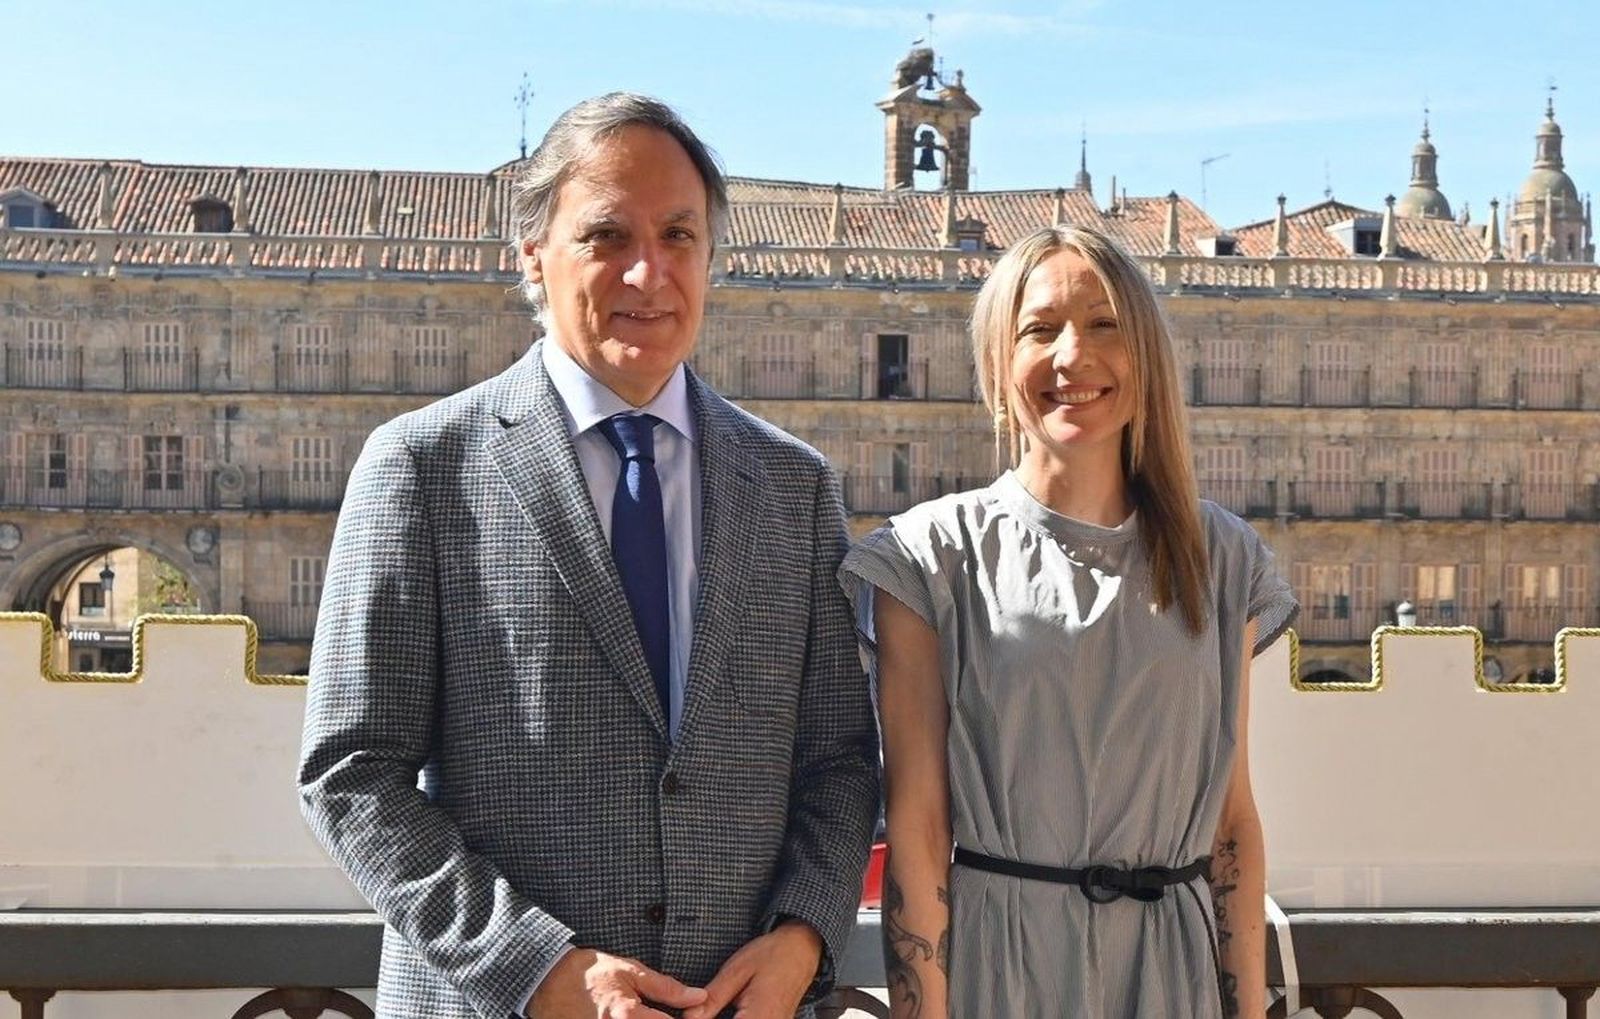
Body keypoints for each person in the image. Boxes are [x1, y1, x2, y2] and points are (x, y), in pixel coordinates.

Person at [298, 92, 879, 1019]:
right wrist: (540, 971)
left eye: (680, 236)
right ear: (534, 255)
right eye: (608, 235)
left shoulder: (793, 486)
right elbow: (351, 771)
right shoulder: (422, 466)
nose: (650, 273)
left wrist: (802, 938)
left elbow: (841, 762)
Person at [839, 226, 1297, 1017]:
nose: (1071, 355)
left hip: (1173, 978)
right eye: (1040, 329)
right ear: (997, 364)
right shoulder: (928, 556)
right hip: (1003, 972)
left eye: (1104, 323)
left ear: (1145, 355)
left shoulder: (1223, 560)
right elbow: (918, 825)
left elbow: (1231, 820)